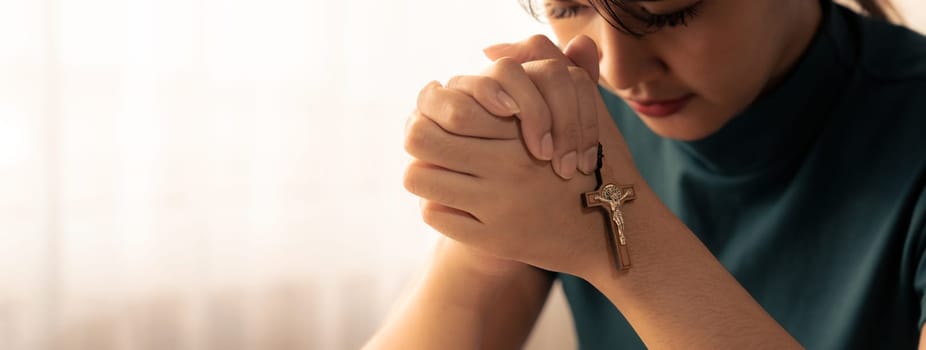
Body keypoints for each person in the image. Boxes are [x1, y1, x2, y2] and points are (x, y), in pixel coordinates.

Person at [366, 0, 926, 348]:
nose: (617, 70)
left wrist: (621, 239)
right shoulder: (577, 115)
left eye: (667, 13)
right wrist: (484, 227)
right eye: (565, 7)